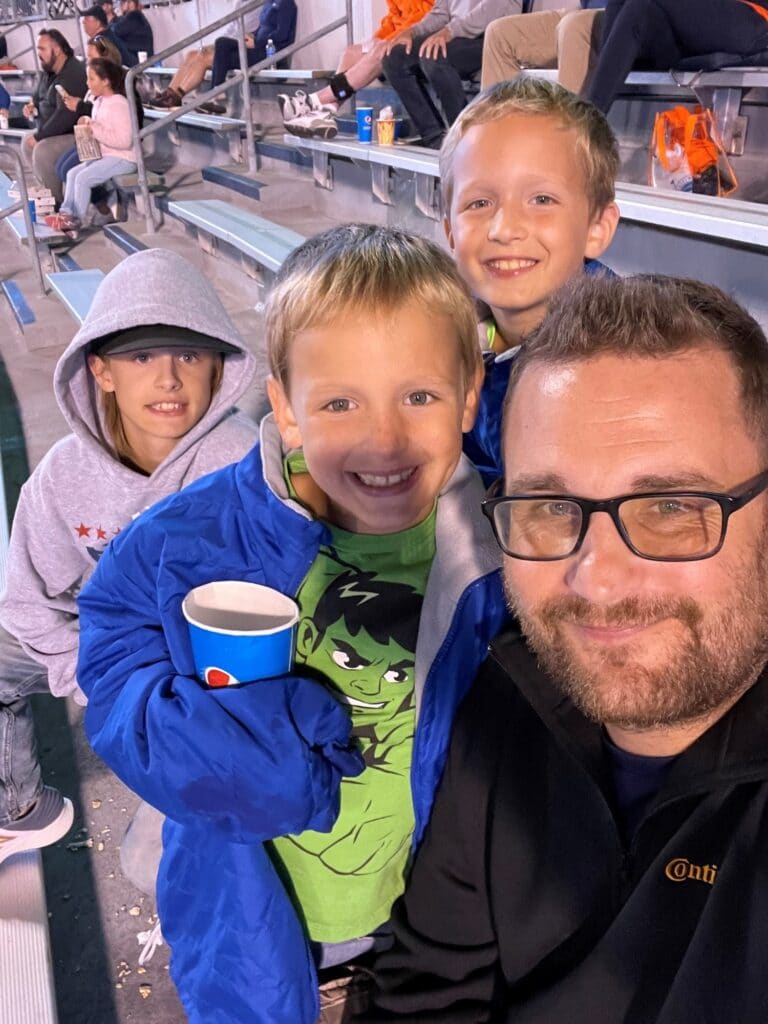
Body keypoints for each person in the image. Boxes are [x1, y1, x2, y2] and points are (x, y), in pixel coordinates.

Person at [76, 223, 509, 1024]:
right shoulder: (195, 538)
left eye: (419, 396)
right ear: (286, 406)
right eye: (340, 402)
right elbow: (109, 663)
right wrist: (194, 746)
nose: (384, 438)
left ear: (471, 393)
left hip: (434, 926)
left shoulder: (509, 540)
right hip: (252, 922)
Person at [362, 273, 768, 1022]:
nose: (598, 579)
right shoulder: (511, 696)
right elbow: (421, 995)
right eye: (551, 507)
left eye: (672, 506)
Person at [0, 248, 259, 869]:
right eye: (142, 356)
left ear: (219, 368)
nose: (168, 379)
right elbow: (24, 597)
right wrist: (88, 677)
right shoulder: (66, 473)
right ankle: (17, 810)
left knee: (150, 868)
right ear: (102, 371)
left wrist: (170, 705)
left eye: (189, 356)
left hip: (200, 674)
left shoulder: (244, 466)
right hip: (105, 651)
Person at [441, 76, 619, 482]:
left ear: (597, 227)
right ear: (450, 231)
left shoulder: (622, 373)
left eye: (541, 200)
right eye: (479, 202)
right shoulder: (439, 337)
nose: (505, 228)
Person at [279, 0, 434, 140]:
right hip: (397, 38)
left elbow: (430, 15)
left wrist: (389, 40)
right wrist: (378, 37)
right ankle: (328, 110)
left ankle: (312, 101)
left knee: (382, 49)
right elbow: (393, 18)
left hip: (423, 38)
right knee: (351, 52)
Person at [381, 0, 520, 149]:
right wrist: (412, 31)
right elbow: (441, 13)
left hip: (495, 38)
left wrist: (450, 31)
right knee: (394, 58)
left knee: (435, 55)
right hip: (457, 35)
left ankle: (465, 139)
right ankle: (434, 139)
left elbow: (494, 7)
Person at [586, 0, 768, 113]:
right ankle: (596, 124)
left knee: (639, 6)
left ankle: (587, 129)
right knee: (631, 7)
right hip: (698, 17)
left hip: (752, 15)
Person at [45, 58, 139, 237]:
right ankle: (66, 214)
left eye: (92, 79)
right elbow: (99, 126)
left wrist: (94, 128)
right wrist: (87, 122)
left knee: (83, 179)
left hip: (123, 158)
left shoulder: (119, 103)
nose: (87, 83)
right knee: (73, 173)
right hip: (106, 155)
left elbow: (125, 141)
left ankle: (74, 222)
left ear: (105, 81)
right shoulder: (99, 102)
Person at [151, 0, 296, 112]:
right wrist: (251, 36)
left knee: (213, 50)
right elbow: (259, 29)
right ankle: (179, 93)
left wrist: (257, 42)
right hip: (256, 47)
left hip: (266, 52)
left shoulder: (286, 3)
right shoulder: (268, 3)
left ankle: (202, 94)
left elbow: (281, 35)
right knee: (215, 45)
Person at [481, 0, 605, 95]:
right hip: (582, 10)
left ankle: (571, 124)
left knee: (574, 26)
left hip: (614, 15)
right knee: (500, 32)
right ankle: (500, 124)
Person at [22, 29, 87, 205]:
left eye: (42, 49)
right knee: (26, 142)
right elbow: (36, 95)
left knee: (43, 150)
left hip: (76, 133)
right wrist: (31, 104)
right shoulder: (48, 71)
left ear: (57, 50)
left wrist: (40, 135)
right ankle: (46, 197)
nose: (39, 54)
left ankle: (56, 205)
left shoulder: (72, 73)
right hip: (55, 132)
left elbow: (65, 116)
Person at [111, 0, 154, 67]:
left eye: (128, 2)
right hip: (143, 62)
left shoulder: (134, 16)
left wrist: (111, 19)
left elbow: (116, 30)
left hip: (138, 65)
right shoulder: (139, 17)